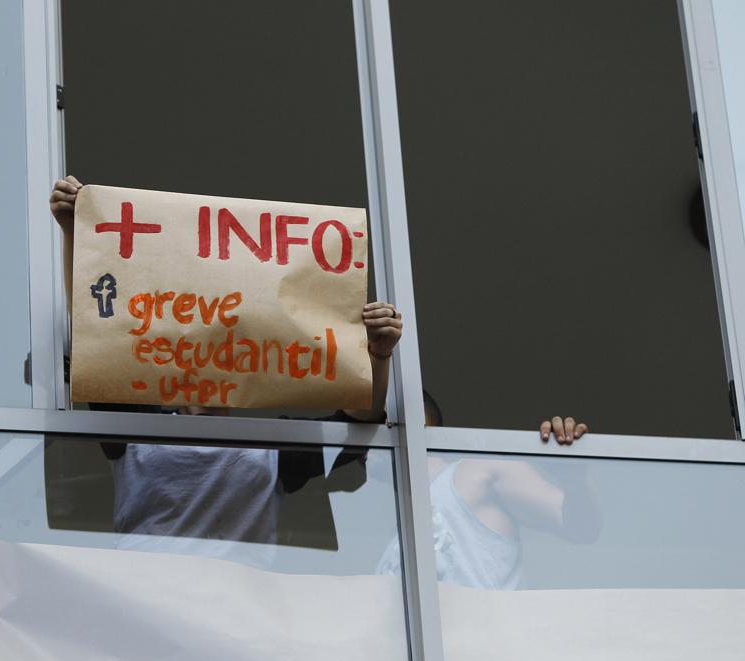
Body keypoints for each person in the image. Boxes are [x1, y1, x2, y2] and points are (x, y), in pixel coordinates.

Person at [49, 176, 401, 563]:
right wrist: (73, 229)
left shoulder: (270, 448)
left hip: (234, 608)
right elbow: (95, 329)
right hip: (144, 601)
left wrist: (377, 356)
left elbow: (357, 424)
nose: (212, 351)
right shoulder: (139, 425)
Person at [377, 392, 602, 588]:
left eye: (374, 421)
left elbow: (582, 527)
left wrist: (574, 477)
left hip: (489, 635)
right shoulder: (400, 533)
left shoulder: (478, 472)